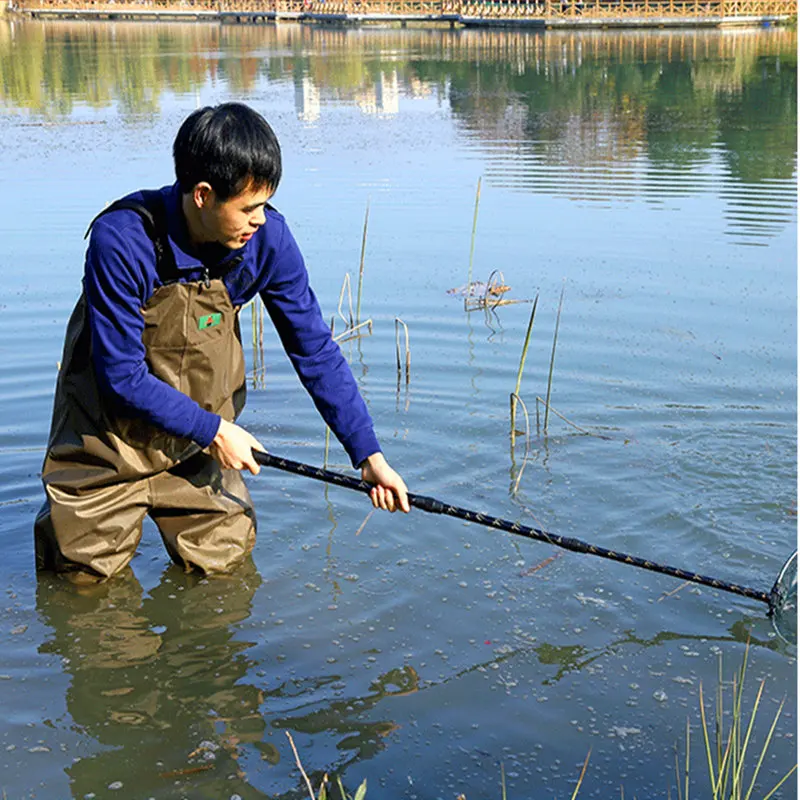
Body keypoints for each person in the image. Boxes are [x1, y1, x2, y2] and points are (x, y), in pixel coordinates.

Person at [34, 102, 409, 582]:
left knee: (227, 579)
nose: (260, 220)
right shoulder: (122, 241)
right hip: (104, 445)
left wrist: (368, 454)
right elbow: (120, 375)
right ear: (203, 196)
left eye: (265, 204)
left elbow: (313, 349)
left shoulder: (267, 241)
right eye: (248, 207)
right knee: (82, 595)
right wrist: (214, 430)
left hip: (201, 451)